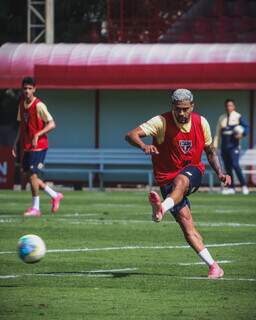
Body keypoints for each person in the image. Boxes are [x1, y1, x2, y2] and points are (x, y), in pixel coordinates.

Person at [126, 89, 231, 279]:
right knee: (186, 224)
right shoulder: (161, 122)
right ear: (171, 107)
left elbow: (210, 151)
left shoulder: (201, 122)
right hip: (166, 181)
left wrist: (220, 172)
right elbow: (131, 134)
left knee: (181, 180)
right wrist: (144, 146)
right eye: (177, 109)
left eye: (185, 109)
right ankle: (214, 266)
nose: (181, 113)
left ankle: (161, 209)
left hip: (193, 172)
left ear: (192, 106)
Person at [12, 76, 63, 217]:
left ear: (34, 89)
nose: (27, 91)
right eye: (25, 88)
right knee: (30, 177)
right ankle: (55, 195)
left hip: (39, 147)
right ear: (22, 89)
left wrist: (37, 135)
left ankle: (36, 208)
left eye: (30, 88)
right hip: (27, 147)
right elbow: (21, 126)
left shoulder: (39, 105)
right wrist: (15, 143)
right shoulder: (21, 104)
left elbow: (52, 124)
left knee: (33, 175)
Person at [214, 99, 249, 195]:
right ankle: (231, 187)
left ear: (233, 106)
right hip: (224, 146)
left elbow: (246, 127)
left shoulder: (238, 116)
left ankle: (244, 186)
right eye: (227, 105)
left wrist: (241, 135)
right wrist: (215, 145)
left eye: (230, 105)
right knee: (227, 167)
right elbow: (217, 133)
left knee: (235, 165)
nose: (228, 107)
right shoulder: (222, 118)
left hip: (234, 146)